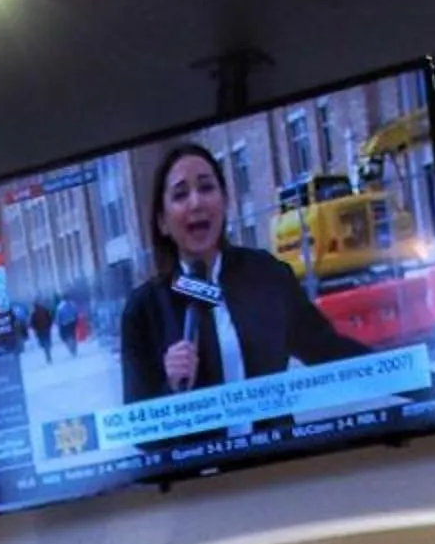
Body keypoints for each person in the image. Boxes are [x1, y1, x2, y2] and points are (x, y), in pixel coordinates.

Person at [118, 139, 372, 418]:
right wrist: (170, 386)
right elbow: (141, 432)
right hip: (200, 462)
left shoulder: (267, 276)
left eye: (206, 187)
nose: (196, 202)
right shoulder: (143, 310)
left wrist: (413, 376)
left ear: (225, 202)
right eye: (180, 194)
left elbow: (328, 351)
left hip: (276, 457)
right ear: (162, 222)